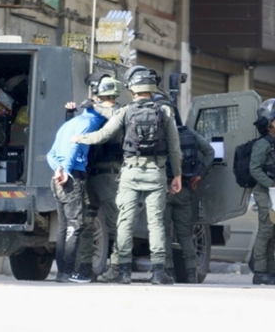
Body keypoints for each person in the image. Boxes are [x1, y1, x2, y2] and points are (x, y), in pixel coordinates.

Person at [72, 66, 181, 285]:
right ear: (152, 87)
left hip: (130, 173)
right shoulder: (165, 111)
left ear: (132, 89)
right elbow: (174, 147)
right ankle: (158, 272)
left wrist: (79, 138)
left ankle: (122, 272)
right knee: (156, 223)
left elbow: (103, 135)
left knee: (124, 222)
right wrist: (177, 174)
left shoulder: (126, 111)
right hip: (156, 172)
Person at [65, 75, 124, 283]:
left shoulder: (118, 112)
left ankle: (115, 269)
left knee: (115, 224)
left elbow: (114, 119)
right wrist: (71, 114)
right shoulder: (96, 113)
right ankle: (87, 269)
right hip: (95, 176)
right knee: (89, 223)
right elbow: (73, 133)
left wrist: (95, 107)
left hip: (107, 175)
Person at [152, 93, 215, 284]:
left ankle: (168, 272)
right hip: (184, 189)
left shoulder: (155, 134)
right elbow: (210, 152)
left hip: (162, 189)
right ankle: (191, 274)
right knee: (186, 235)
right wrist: (200, 174)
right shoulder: (189, 133)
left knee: (162, 233)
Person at [46, 101, 107, 283]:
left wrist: (58, 168)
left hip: (57, 178)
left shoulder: (69, 124)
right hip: (72, 176)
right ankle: (68, 271)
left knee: (64, 226)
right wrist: (65, 169)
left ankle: (61, 273)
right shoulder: (90, 123)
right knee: (75, 225)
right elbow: (74, 145)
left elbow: (50, 154)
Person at [249, 99, 275, 286]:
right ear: (268, 126)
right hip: (263, 192)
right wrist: (271, 184)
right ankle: (260, 272)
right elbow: (254, 169)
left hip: (272, 192)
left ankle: (271, 271)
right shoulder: (262, 145)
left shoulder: (274, 144)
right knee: (265, 232)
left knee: (274, 233)